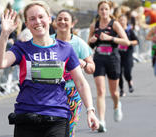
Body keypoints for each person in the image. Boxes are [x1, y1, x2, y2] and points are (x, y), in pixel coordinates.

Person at [0, 2, 99, 137]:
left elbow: (81, 82)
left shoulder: (65, 49)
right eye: (32, 18)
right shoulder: (21, 48)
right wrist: (4, 34)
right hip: (27, 117)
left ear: (49, 19)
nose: (37, 21)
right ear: (27, 23)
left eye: (41, 17)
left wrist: (90, 110)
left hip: (57, 118)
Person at [50, 10, 95, 137]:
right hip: (52, 91)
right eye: (59, 19)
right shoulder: (48, 42)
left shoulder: (79, 43)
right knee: (51, 128)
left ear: (72, 23)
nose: (62, 22)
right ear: (55, 22)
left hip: (72, 91)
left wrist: (84, 64)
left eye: (65, 19)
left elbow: (92, 68)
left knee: (68, 129)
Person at [88, 1, 130, 133]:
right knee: (100, 91)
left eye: (106, 9)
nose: (104, 12)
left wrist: (110, 38)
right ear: (98, 11)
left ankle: (117, 106)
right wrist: (91, 41)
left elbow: (126, 41)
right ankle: (101, 120)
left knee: (114, 93)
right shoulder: (93, 25)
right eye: (101, 9)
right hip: (99, 58)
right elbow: (88, 46)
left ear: (110, 11)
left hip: (112, 58)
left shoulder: (115, 24)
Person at [118, 15, 139, 97]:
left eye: (123, 20)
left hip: (128, 54)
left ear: (126, 21)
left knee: (127, 72)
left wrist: (129, 43)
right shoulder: (116, 31)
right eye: (120, 20)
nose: (122, 22)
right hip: (118, 54)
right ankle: (121, 90)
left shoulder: (129, 31)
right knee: (118, 73)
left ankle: (130, 82)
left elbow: (137, 41)